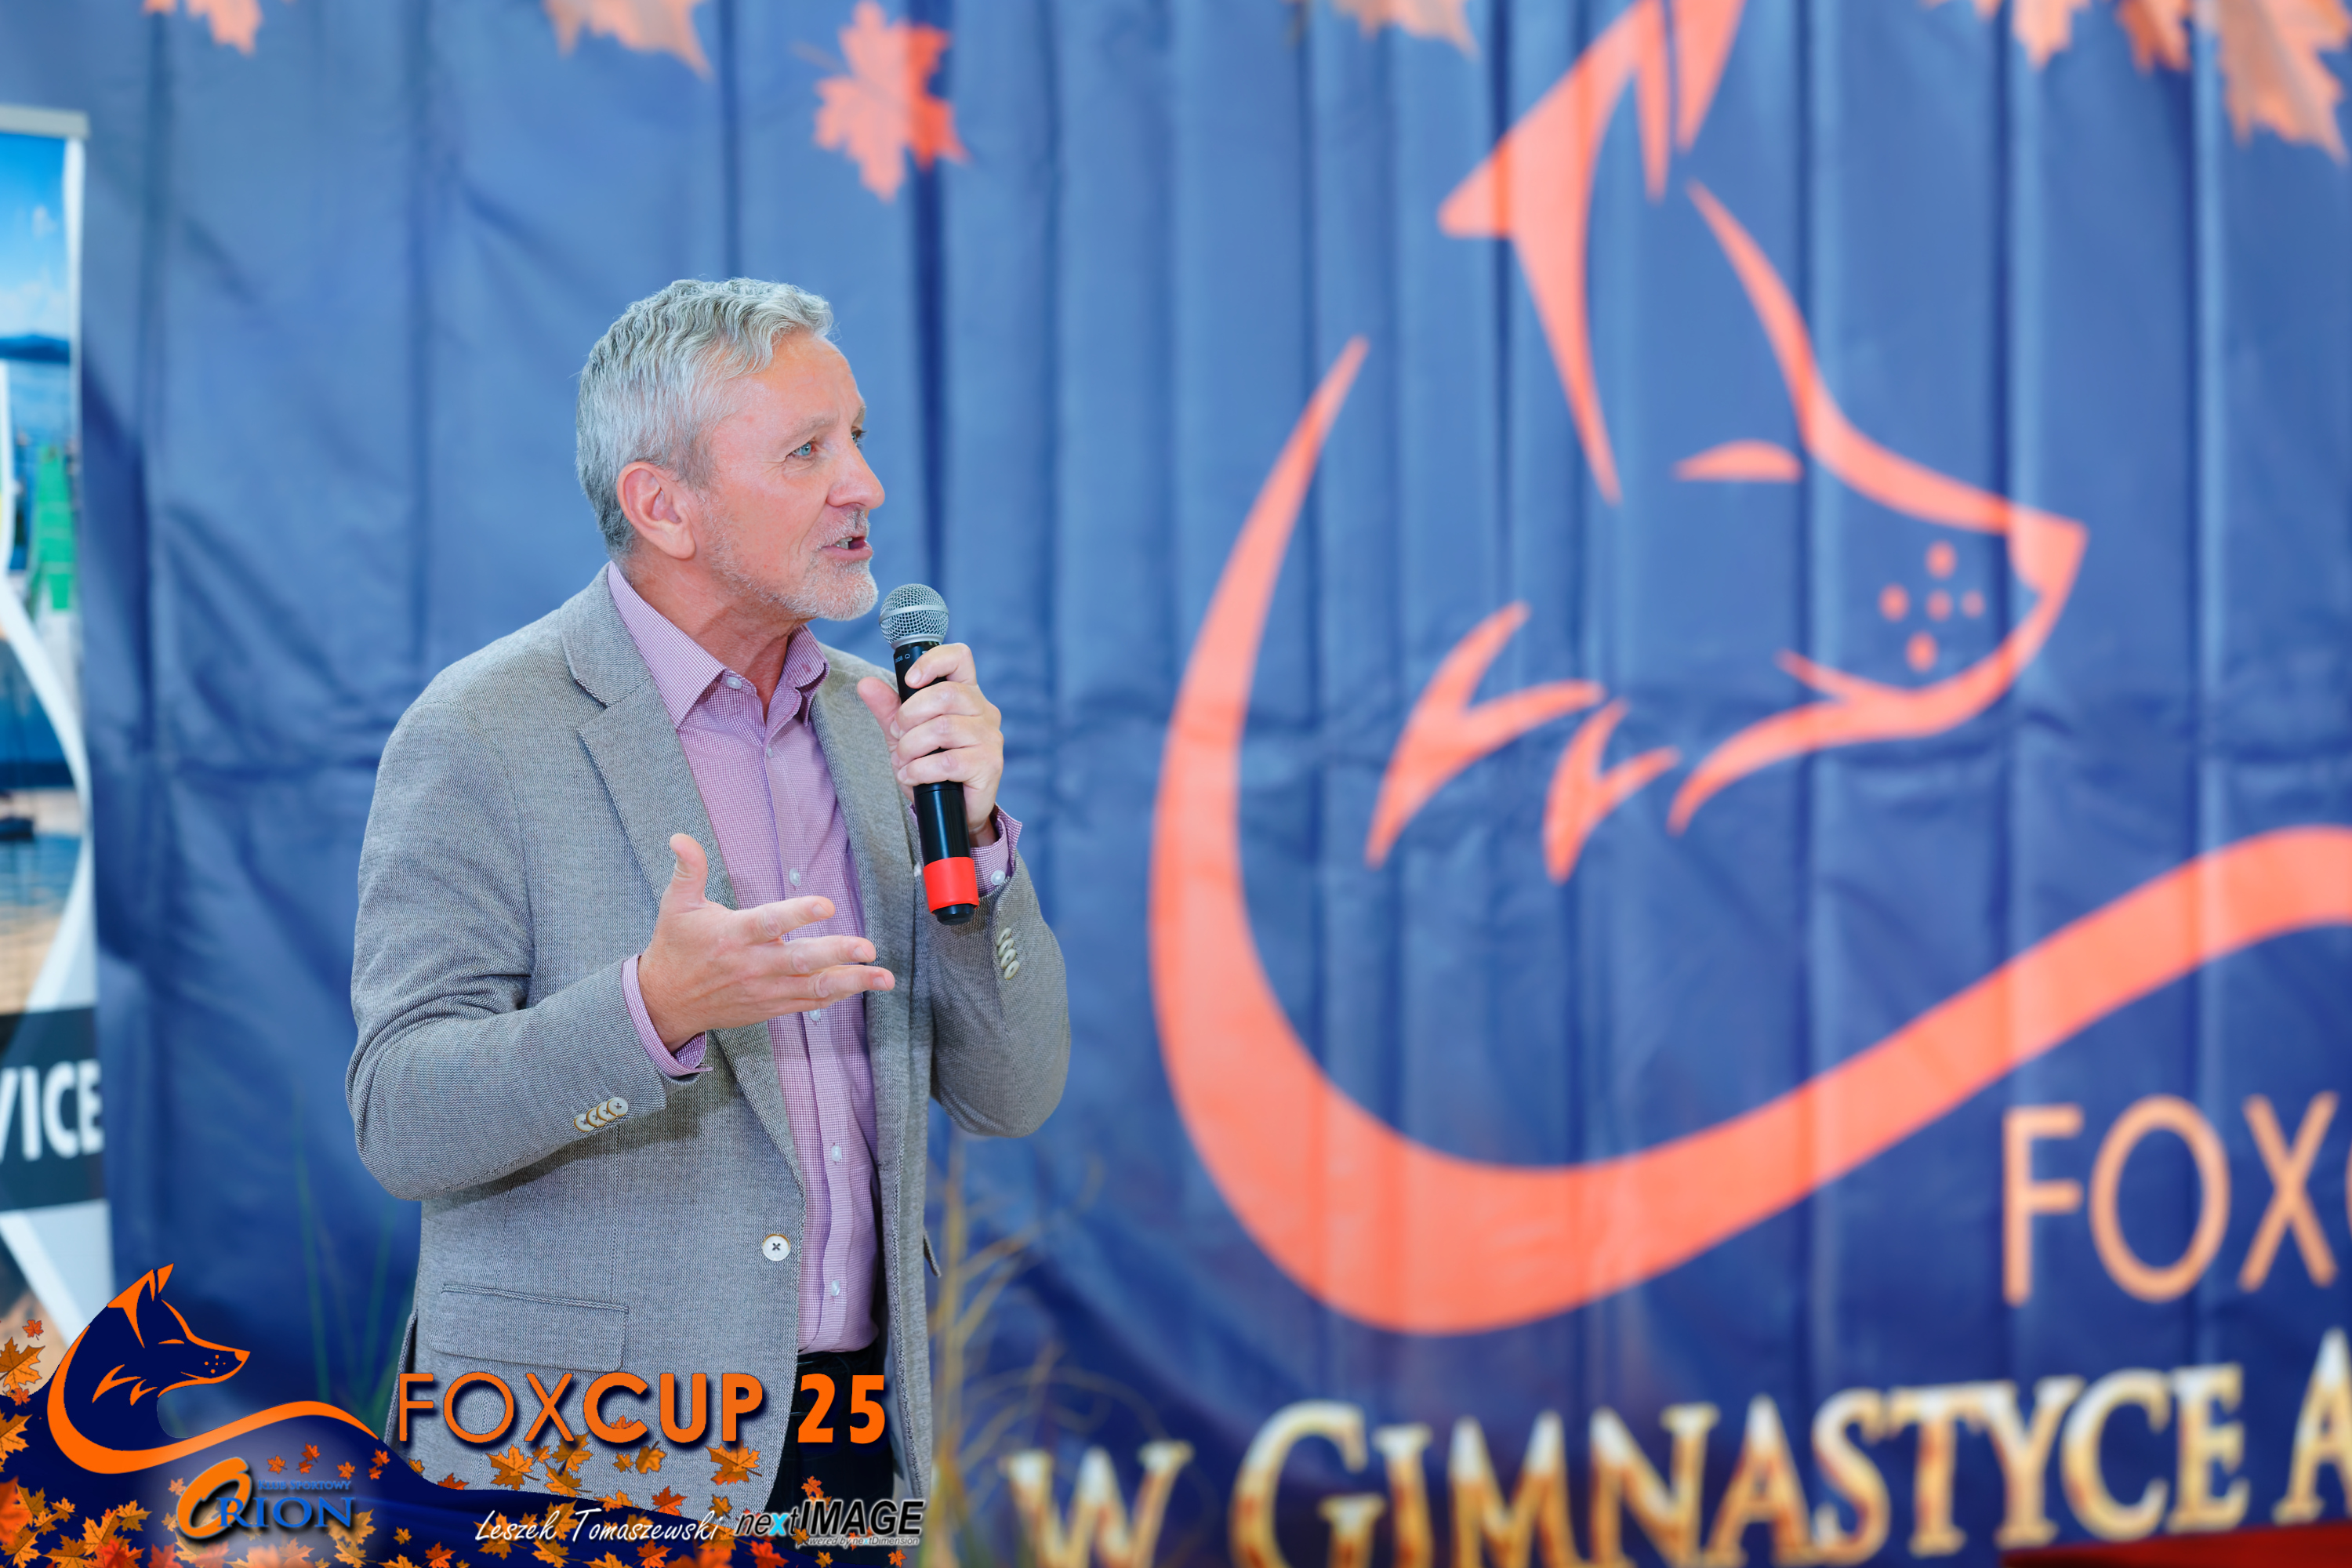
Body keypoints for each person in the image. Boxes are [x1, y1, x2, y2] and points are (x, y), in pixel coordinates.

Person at [347, 278, 1069, 1523]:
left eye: (857, 438)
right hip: (586, 1457)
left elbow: (1014, 1094)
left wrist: (982, 847)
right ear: (661, 506)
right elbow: (402, 1119)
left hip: (852, 1443)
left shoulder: (880, 725)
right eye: (807, 451)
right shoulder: (482, 730)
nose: (865, 486)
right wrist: (652, 1010)